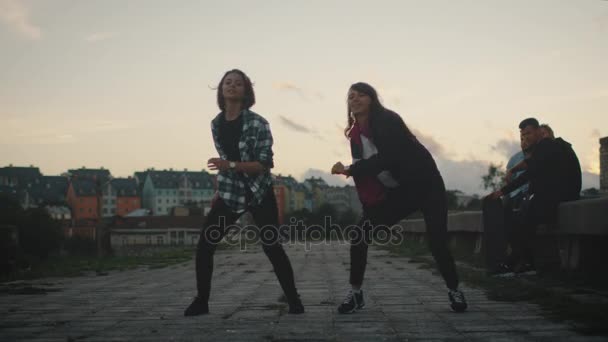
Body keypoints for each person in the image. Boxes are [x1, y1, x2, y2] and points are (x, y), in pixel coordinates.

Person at [331, 82, 467, 313]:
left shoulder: (387, 120)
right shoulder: (355, 136)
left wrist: (351, 170)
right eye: (351, 96)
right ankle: (355, 294)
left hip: (426, 184)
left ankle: (454, 290)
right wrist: (368, 207)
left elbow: (388, 158)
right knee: (359, 235)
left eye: (361, 95)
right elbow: (364, 176)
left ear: (372, 99)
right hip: (399, 191)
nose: (355, 99)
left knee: (437, 243)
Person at [184, 69, 304, 316]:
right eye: (227, 82)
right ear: (221, 90)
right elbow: (226, 160)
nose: (232, 86)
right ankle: (201, 301)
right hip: (231, 193)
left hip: (259, 192)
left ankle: (294, 301)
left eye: (238, 83)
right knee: (206, 243)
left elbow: (263, 164)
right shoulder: (216, 124)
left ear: (246, 91)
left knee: (272, 246)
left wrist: (229, 166)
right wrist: (220, 189)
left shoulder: (258, 123)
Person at [488, 118, 581, 273]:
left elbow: (530, 172)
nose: (526, 138)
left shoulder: (548, 145)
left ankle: (518, 263)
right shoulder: (548, 148)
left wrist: (502, 191)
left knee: (524, 218)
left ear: (539, 132)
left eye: (529, 133)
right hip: (558, 194)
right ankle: (523, 262)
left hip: (562, 195)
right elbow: (531, 167)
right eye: (523, 136)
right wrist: (509, 179)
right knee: (522, 214)